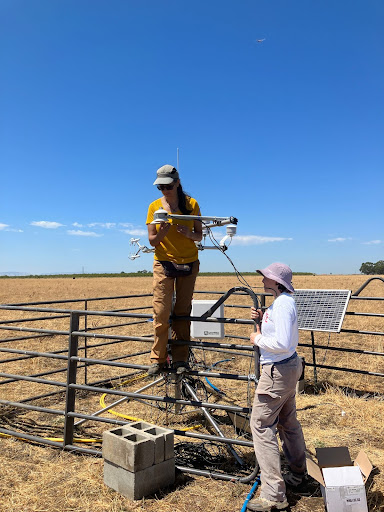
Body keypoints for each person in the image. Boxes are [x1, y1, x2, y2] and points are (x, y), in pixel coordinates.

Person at [247, 262, 306, 512]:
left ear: (276, 281)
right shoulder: (281, 303)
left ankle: (274, 495)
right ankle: (297, 473)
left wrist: (257, 338)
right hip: (288, 368)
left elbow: (281, 342)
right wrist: (263, 319)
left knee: (260, 425)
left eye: (266, 277)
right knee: (287, 421)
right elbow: (282, 334)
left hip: (277, 371)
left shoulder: (283, 304)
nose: (262, 279)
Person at [146, 165, 202, 376]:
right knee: (161, 312)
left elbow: (199, 235)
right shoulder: (153, 207)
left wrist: (188, 233)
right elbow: (152, 241)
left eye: (167, 185)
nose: (164, 190)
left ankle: (180, 359)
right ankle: (157, 358)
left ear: (177, 183)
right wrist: (163, 233)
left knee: (182, 311)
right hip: (163, 262)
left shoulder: (192, 204)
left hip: (189, 261)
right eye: (160, 187)